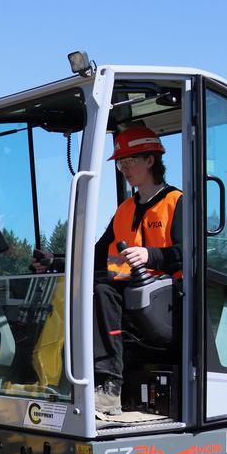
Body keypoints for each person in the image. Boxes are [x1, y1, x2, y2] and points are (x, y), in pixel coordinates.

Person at [91, 124, 182, 415]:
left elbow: (188, 255)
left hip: (168, 298)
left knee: (104, 290)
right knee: (88, 283)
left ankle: (109, 384)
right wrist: (56, 262)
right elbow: (98, 254)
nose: (123, 168)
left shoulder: (176, 203)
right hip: (131, 289)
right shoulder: (125, 209)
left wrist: (149, 255)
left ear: (150, 161)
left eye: (129, 162)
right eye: (120, 163)